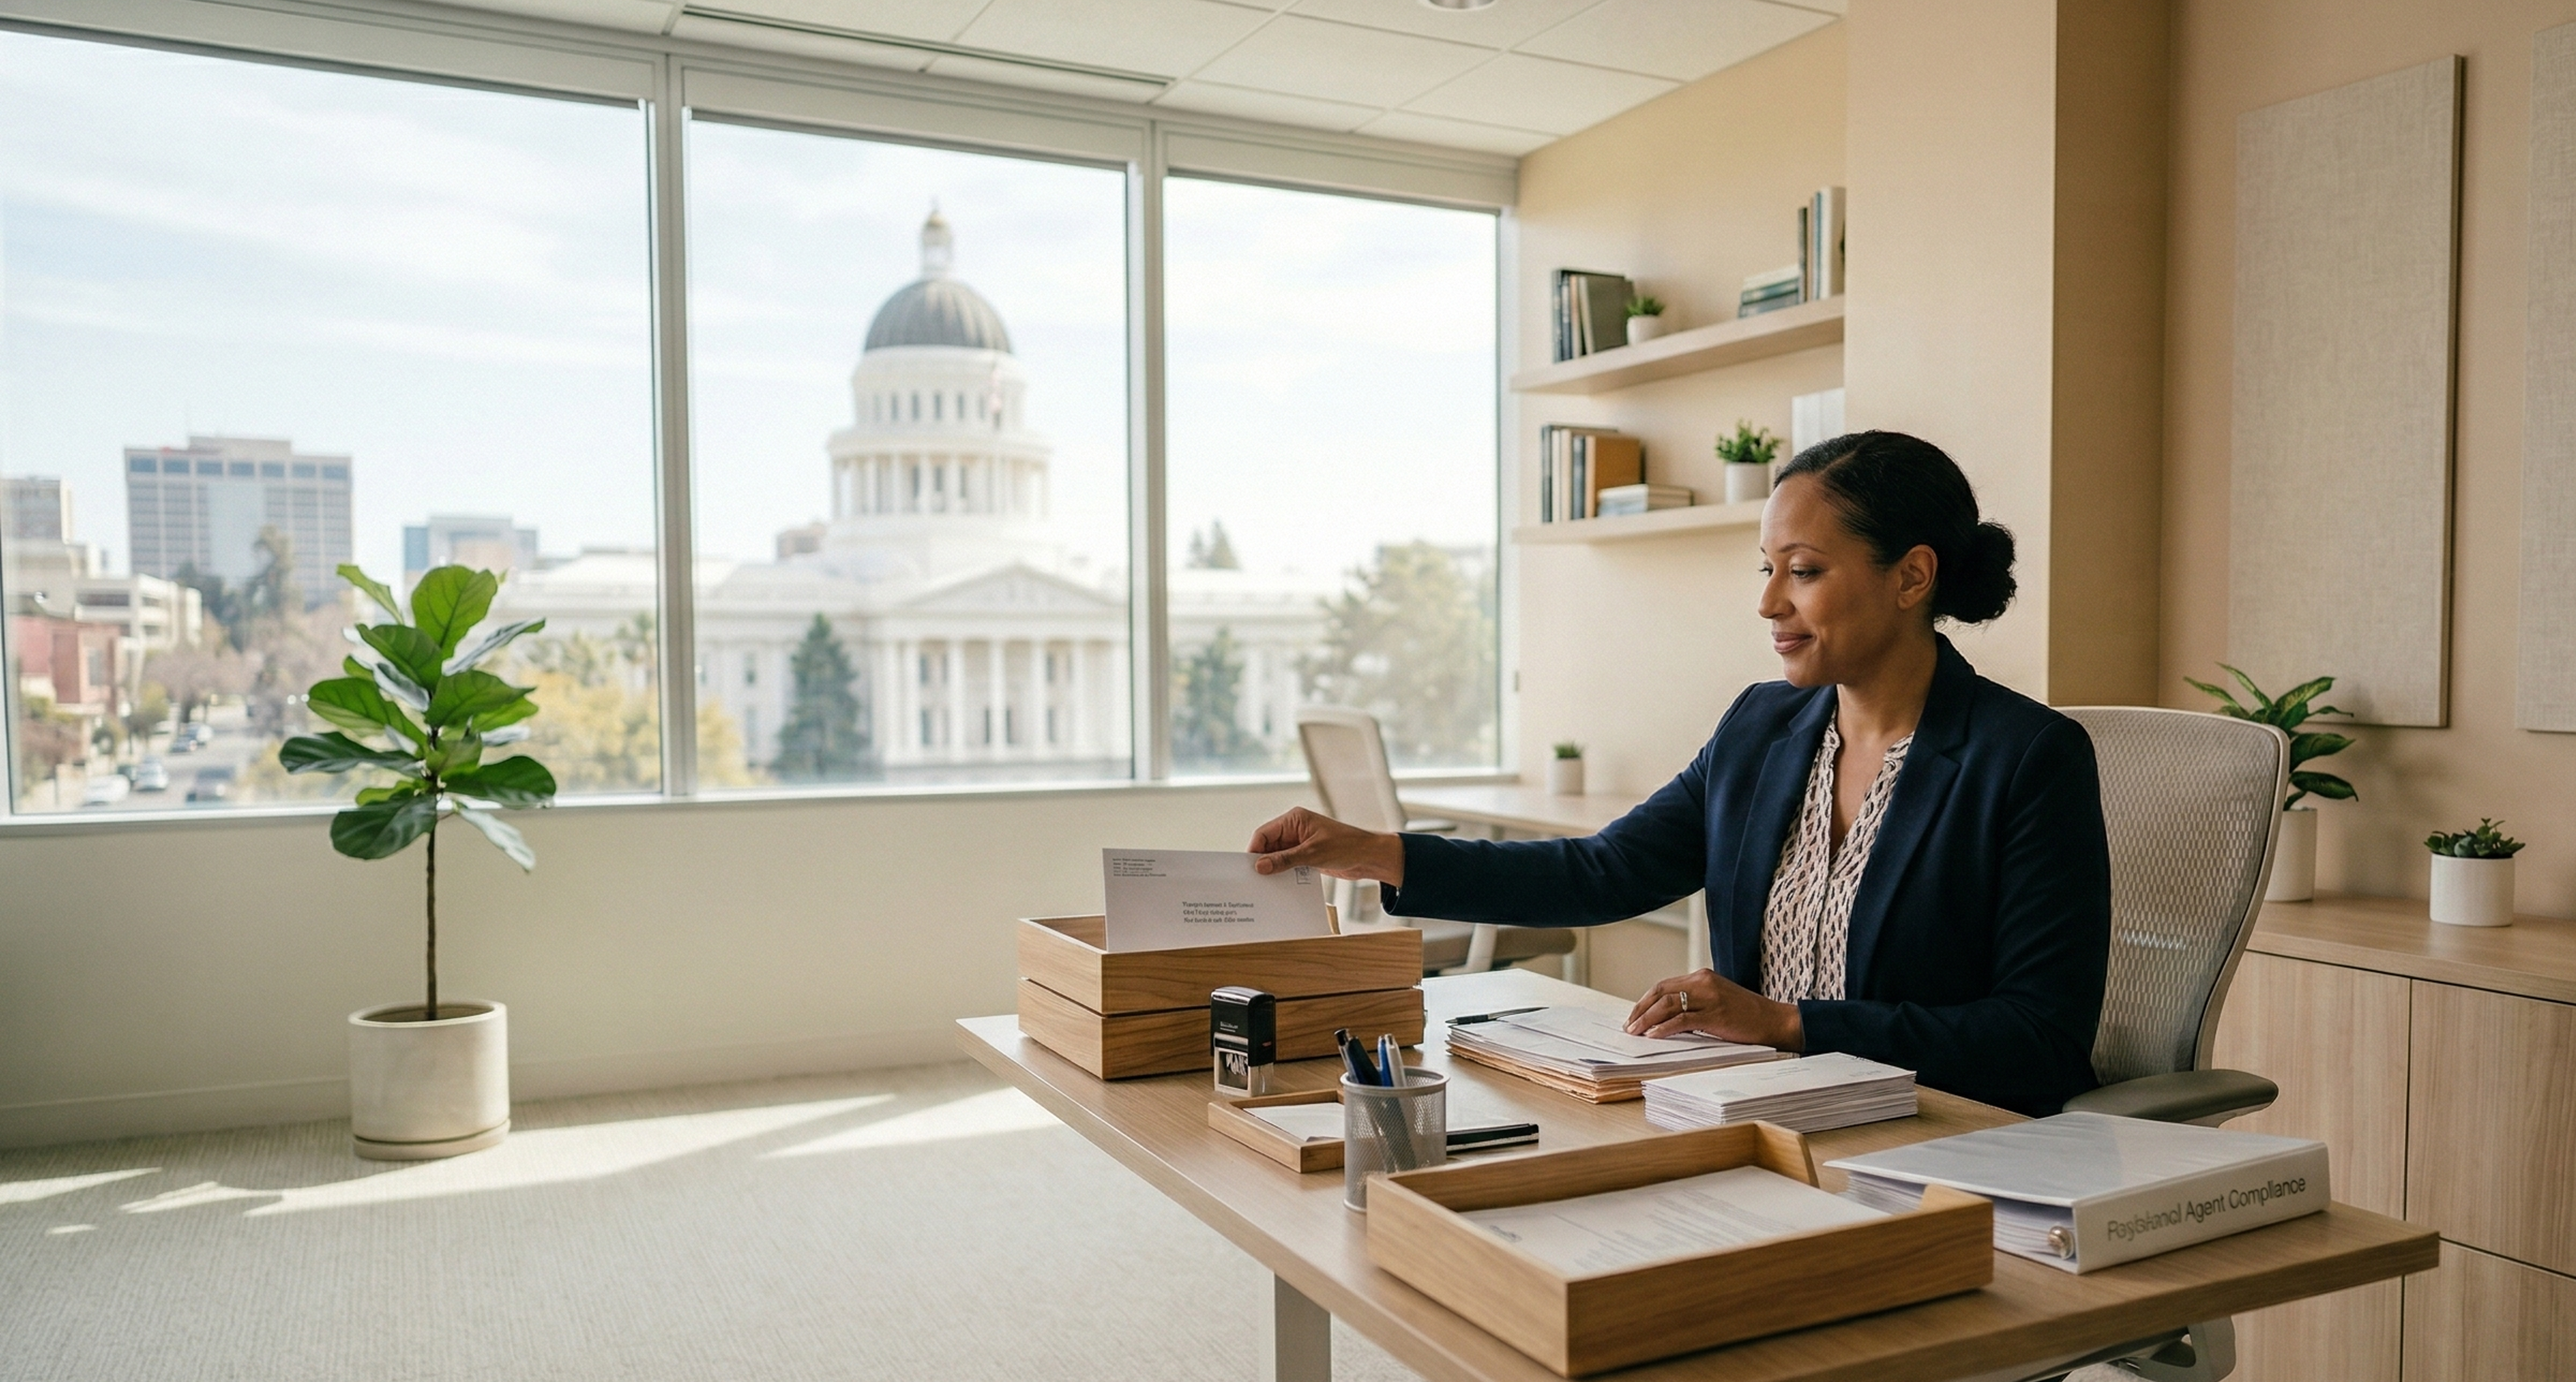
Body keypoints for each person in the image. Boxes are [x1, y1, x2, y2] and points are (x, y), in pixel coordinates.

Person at [1248, 431, 2110, 1116]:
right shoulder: (1761, 729)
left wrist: (1785, 1023)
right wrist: (1377, 851)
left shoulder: (2027, 758)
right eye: (1768, 569)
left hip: (1935, 1138)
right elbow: (1602, 871)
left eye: (1804, 571)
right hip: (1759, 1119)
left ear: (1912, 577)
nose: (1769, 602)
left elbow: (2038, 1040)